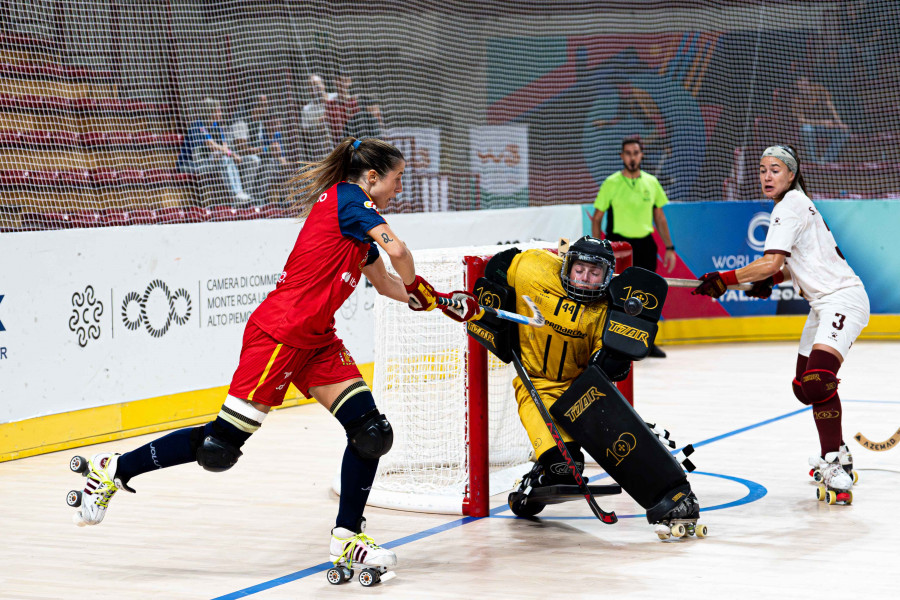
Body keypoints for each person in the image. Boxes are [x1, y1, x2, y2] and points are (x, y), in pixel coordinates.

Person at [67, 138, 480, 576]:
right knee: (220, 446)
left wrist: (440, 300)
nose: (401, 188)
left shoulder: (359, 231)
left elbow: (387, 283)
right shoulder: (349, 200)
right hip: (279, 335)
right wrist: (420, 289)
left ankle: (348, 539)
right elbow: (400, 255)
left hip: (317, 341)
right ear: (373, 177)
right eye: (398, 179)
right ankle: (113, 471)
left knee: (371, 433)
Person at [481, 237, 702, 534]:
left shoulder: (609, 306)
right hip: (538, 386)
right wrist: (497, 299)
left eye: (594, 273)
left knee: (626, 444)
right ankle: (538, 478)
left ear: (607, 275)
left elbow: (614, 368)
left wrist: (616, 357)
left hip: (583, 391)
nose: (585, 279)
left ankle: (673, 496)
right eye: (579, 269)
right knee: (565, 469)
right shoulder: (534, 268)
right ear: (567, 266)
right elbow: (499, 264)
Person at [693, 144, 868, 504]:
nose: (767, 176)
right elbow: (788, 267)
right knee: (803, 388)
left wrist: (726, 279)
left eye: (775, 169)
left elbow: (771, 262)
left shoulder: (788, 207)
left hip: (842, 299)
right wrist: (768, 282)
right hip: (822, 305)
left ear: (791, 174)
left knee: (818, 382)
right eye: (762, 170)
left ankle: (835, 461)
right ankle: (839, 453)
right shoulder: (795, 204)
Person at [590, 135, 676, 358]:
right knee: (614, 294)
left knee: (648, 296)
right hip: (619, 245)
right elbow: (597, 217)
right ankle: (610, 342)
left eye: (635, 153)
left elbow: (660, 217)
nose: (632, 157)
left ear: (641, 155)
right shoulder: (611, 183)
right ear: (622, 156)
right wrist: (597, 246)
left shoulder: (651, 182)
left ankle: (646, 343)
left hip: (646, 245)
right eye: (628, 153)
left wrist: (669, 247)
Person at [176, 97, 253, 206]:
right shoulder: (198, 125)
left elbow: (224, 146)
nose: (220, 113)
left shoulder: (216, 126)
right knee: (224, 160)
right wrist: (229, 153)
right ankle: (235, 194)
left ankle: (239, 192)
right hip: (189, 164)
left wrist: (232, 154)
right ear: (210, 111)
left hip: (206, 161)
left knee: (227, 159)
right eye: (218, 110)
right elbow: (211, 145)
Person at [231, 94, 289, 204]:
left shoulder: (260, 123)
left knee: (270, 163)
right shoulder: (241, 121)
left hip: (257, 156)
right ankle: (245, 199)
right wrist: (267, 149)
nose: (265, 108)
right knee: (254, 160)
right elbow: (242, 149)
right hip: (237, 158)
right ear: (254, 105)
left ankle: (259, 201)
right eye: (263, 105)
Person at [790, 73, 850, 164]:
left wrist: (839, 123)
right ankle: (813, 161)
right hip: (812, 127)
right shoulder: (796, 99)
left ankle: (825, 160)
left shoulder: (818, 89)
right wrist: (822, 123)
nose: (803, 84)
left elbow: (830, 106)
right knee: (806, 129)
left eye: (804, 81)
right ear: (797, 85)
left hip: (827, 126)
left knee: (844, 132)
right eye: (800, 82)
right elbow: (801, 120)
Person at [300, 74, 335, 161]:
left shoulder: (334, 98)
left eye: (316, 85)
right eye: (311, 87)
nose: (314, 89)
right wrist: (318, 123)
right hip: (321, 152)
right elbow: (305, 132)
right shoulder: (307, 109)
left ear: (323, 85)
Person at [325, 72, 358, 146]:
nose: (342, 83)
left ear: (349, 82)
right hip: (336, 143)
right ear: (335, 82)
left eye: (345, 81)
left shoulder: (354, 103)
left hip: (352, 141)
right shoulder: (330, 104)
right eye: (339, 80)